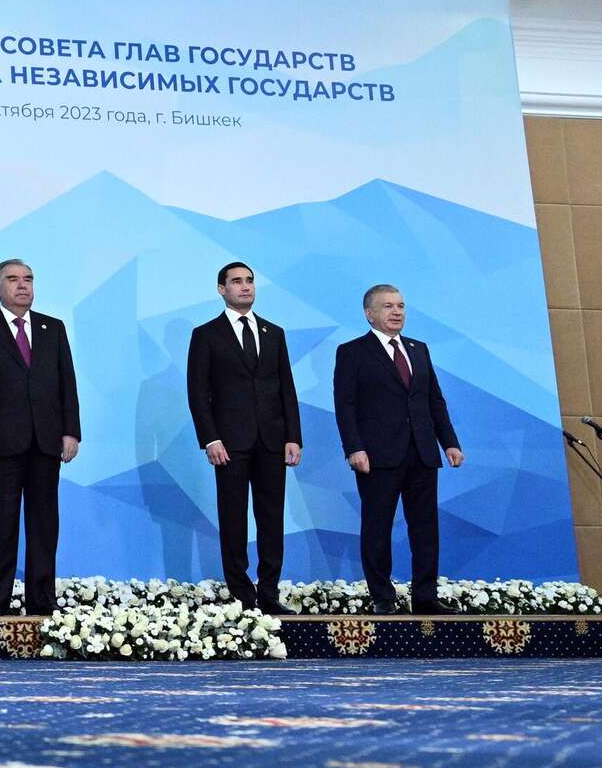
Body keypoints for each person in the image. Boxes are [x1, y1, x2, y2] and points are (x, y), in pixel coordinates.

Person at [0, 258, 79, 616]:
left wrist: (71, 431)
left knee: (44, 524)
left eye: (28, 279)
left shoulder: (52, 328)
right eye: (12, 279)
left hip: (46, 441)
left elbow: (66, 383)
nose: (22, 285)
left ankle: (42, 599)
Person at [333, 284, 463, 614]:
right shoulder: (352, 352)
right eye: (388, 306)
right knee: (377, 527)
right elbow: (345, 405)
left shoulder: (418, 349)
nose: (397, 312)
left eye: (401, 306)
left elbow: (434, 400)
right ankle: (383, 597)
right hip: (377, 456)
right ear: (369, 314)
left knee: (426, 529)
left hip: (422, 452)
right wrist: (354, 448)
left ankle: (425, 597)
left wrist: (449, 442)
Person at [186, 261, 302, 614]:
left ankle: (269, 593)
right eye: (236, 281)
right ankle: (241, 594)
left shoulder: (274, 333)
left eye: (249, 280)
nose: (245, 286)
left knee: (272, 518)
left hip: (272, 441)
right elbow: (198, 393)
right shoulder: (206, 334)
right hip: (229, 444)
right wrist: (211, 439)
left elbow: (286, 388)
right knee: (233, 518)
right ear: (222, 289)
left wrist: (293, 436)